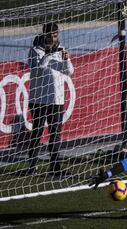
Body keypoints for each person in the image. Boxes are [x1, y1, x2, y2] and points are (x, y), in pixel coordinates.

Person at [27, 22, 74, 176]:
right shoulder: (35, 50)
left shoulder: (61, 49)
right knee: (37, 132)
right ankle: (32, 166)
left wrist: (66, 59)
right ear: (44, 34)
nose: (53, 38)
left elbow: (69, 72)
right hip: (39, 99)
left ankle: (55, 168)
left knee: (55, 135)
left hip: (56, 100)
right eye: (50, 35)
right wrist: (47, 55)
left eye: (56, 35)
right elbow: (37, 71)